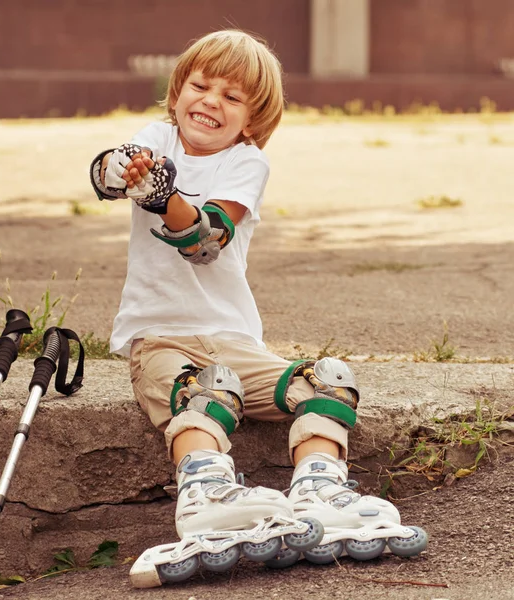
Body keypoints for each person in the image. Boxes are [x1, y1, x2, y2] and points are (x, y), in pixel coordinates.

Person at [90, 29, 427, 586]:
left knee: (329, 382)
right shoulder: (156, 138)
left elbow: (205, 241)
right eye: (199, 86)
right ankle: (204, 493)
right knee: (208, 389)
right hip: (161, 335)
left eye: (231, 96)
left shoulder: (247, 165)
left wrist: (158, 197)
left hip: (234, 337)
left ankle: (319, 487)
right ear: (176, 94)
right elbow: (107, 172)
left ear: (253, 120)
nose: (210, 101)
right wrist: (117, 170)